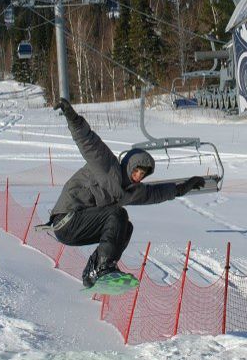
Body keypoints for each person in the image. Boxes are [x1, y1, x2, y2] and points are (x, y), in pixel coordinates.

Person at [47, 98, 205, 287]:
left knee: (125, 227)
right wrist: (72, 117)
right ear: (129, 165)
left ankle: (93, 272)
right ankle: (102, 267)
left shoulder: (130, 191)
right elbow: (87, 141)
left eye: (142, 174)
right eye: (136, 170)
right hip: (67, 219)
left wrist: (184, 187)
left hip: (78, 228)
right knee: (117, 213)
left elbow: (155, 194)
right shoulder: (107, 165)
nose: (138, 176)